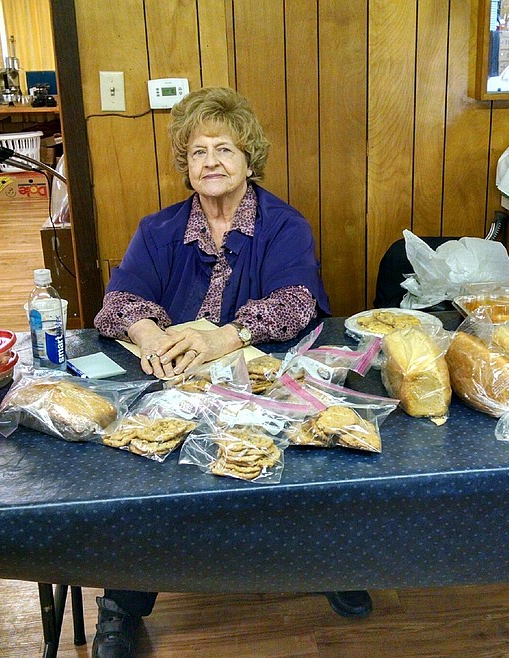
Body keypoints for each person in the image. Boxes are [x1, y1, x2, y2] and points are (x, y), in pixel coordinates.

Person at [92, 86, 371, 658]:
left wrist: (221, 336)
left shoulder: (283, 225)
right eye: (199, 152)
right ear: (185, 163)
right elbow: (118, 301)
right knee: (140, 474)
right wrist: (150, 337)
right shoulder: (159, 229)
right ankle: (123, 602)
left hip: (265, 379)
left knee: (311, 454)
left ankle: (329, 564)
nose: (212, 162)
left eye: (225, 149)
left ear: (249, 160)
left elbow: (297, 300)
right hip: (177, 380)